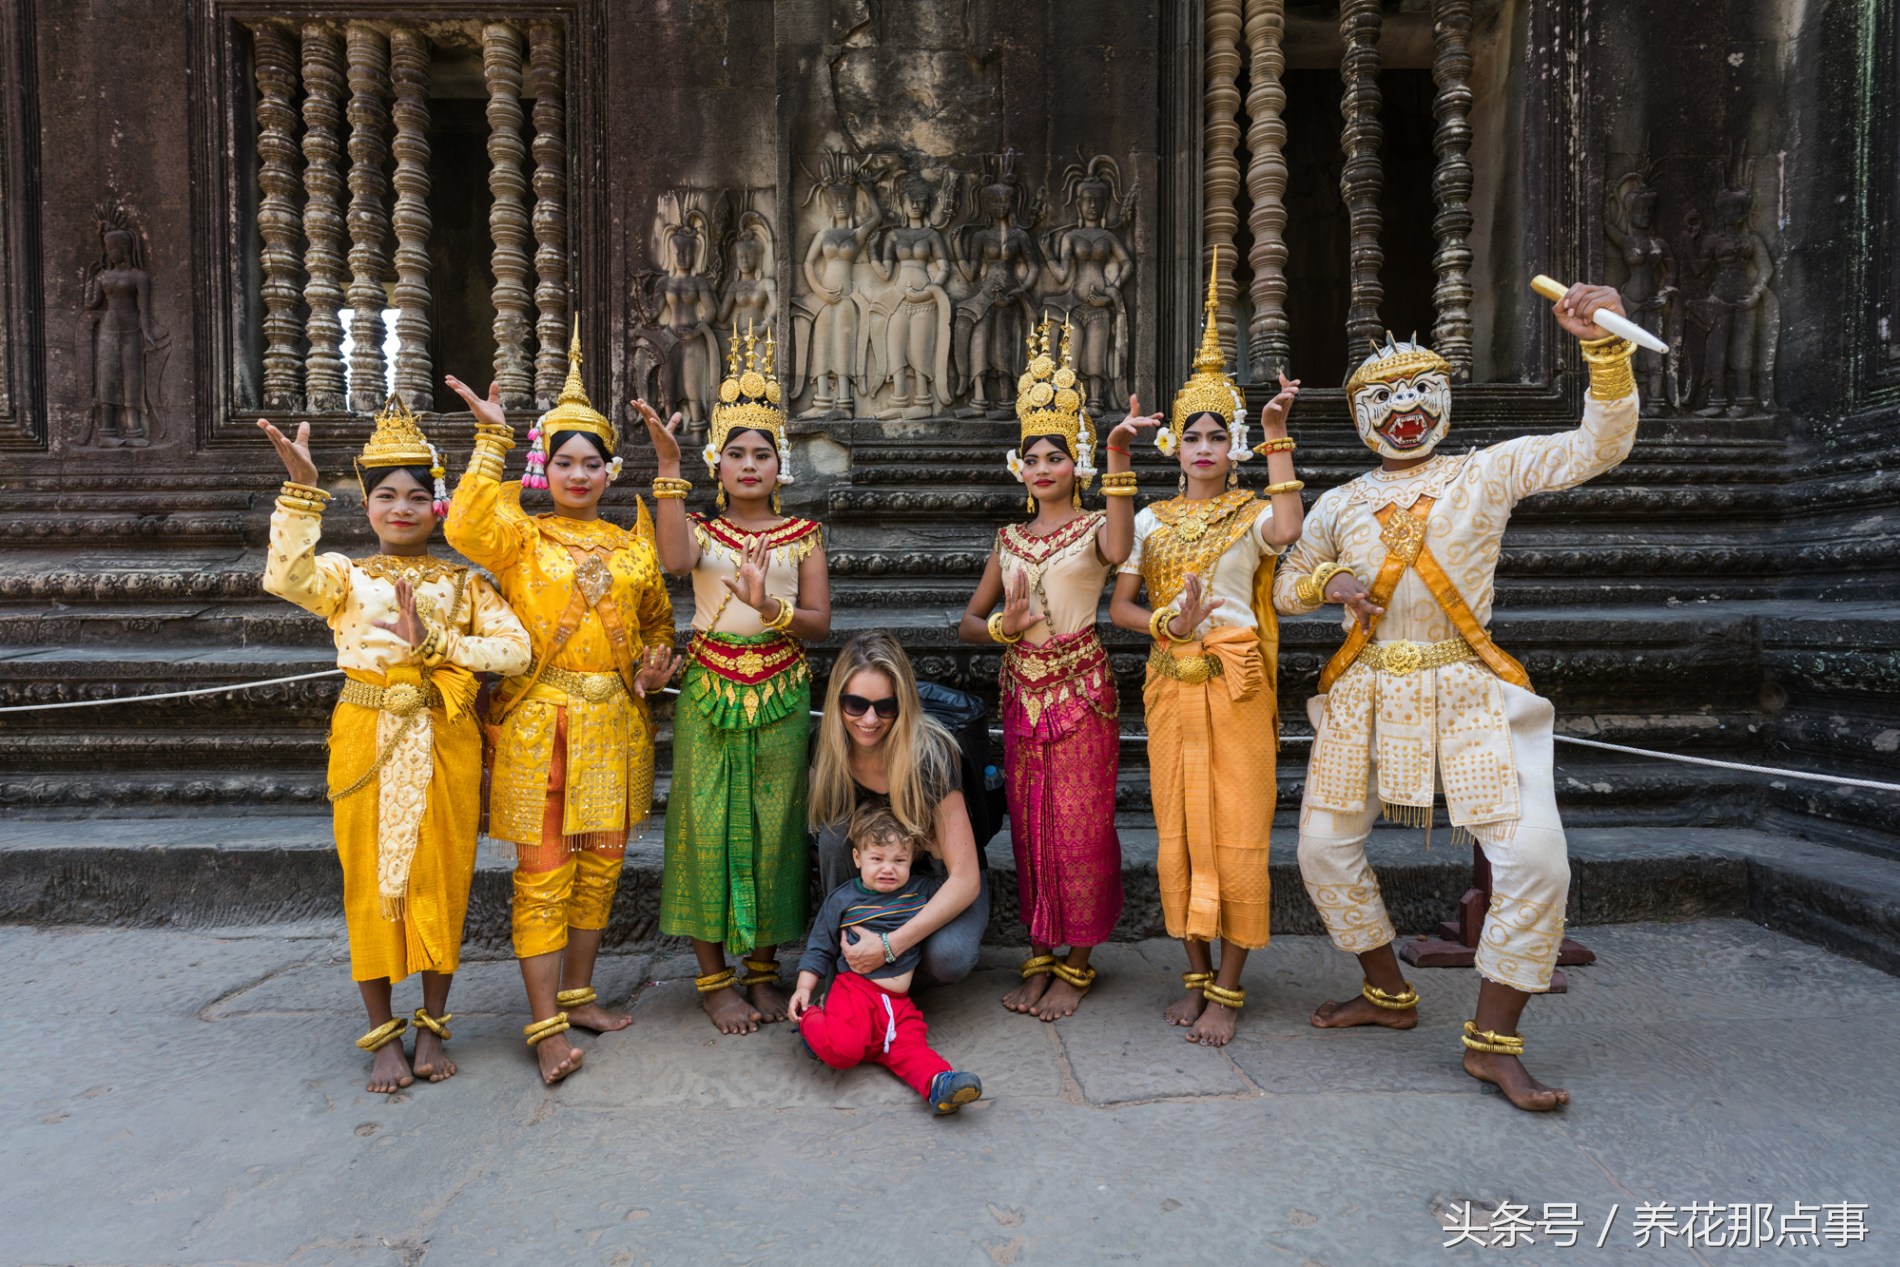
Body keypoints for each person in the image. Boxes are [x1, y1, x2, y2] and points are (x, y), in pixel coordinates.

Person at [1276, 284, 1639, 1112]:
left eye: (1417, 394)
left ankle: (1494, 1040)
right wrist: (1328, 578)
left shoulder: (1488, 470)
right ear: (1361, 414)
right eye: (1383, 400)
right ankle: (1387, 993)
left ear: (1442, 397)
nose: (1403, 412)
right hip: (1366, 690)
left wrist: (1603, 349)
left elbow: (1597, 445)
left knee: (1537, 857)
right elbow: (1290, 583)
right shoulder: (1338, 502)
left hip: (1469, 687)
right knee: (1322, 851)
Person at [258, 397, 531, 1092]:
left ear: (436, 506)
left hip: (444, 732)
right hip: (367, 731)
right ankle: (384, 1034)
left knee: (444, 875)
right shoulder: (346, 577)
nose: (402, 508)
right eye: (386, 496)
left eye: (416, 496)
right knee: (370, 882)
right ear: (368, 506)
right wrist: (300, 492)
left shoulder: (466, 582)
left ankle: (434, 1024)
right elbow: (287, 578)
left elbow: (516, 649)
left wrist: (438, 643)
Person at [444, 329, 679, 1086]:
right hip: (540, 721)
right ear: (547, 467)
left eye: (592, 462)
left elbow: (659, 628)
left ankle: (578, 994)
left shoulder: (635, 546)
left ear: (611, 470)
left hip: (614, 722)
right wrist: (491, 440)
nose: (579, 474)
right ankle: (543, 1024)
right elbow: (463, 525)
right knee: (542, 873)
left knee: (600, 869)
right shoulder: (520, 535)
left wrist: (651, 668)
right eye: (565, 461)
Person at [1107, 249, 1305, 1047]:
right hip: (1170, 676)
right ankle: (1193, 975)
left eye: (1218, 435)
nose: (1203, 445)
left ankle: (1230, 986)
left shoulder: (1253, 512)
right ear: (1175, 448)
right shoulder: (1151, 520)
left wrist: (1277, 434)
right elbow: (1119, 603)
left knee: (1237, 829)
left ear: (1234, 449)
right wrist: (1167, 624)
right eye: (1192, 434)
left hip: (1238, 682)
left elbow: (1290, 531)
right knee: (1178, 831)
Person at [957, 318, 1157, 1020]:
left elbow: (1124, 539)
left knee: (1081, 826)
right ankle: (1040, 951)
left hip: (1081, 692)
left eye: (1057, 454)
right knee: (1031, 825)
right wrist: (1001, 628)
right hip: (1022, 689)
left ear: (1077, 461)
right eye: (1032, 456)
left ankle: (1078, 961)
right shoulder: (1009, 538)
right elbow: (967, 622)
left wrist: (1119, 457)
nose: (1043, 466)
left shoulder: (1095, 529)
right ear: (1020, 466)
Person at [638, 325, 832, 1035]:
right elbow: (668, 557)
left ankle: (762, 971)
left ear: (781, 464)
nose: (750, 464)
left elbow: (817, 620)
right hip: (711, 692)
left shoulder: (803, 532)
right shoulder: (698, 529)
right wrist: (667, 462)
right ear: (716, 463)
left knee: (775, 830)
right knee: (704, 826)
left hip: (781, 690)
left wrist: (769, 607)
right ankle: (714, 980)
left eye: (763, 452)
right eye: (737, 453)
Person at [809, 631, 987, 986]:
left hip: (936, 881)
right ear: (838, 701)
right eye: (856, 705)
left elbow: (964, 879)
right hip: (869, 885)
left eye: (885, 707)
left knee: (950, 958)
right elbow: (828, 853)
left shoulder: (931, 755)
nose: (870, 720)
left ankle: (886, 965)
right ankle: (846, 954)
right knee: (834, 834)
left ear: (902, 703)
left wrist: (891, 946)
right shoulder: (826, 749)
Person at [788, 803, 984, 1115]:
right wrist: (803, 989)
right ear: (857, 858)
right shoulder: (842, 899)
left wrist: (931, 846)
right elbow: (820, 947)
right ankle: (812, 1024)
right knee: (844, 1050)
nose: (887, 869)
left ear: (911, 860)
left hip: (897, 1005)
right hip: (854, 993)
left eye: (899, 860)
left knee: (911, 1049)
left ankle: (940, 1084)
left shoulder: (919, 891)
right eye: (877, 859)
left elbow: (952, 876)